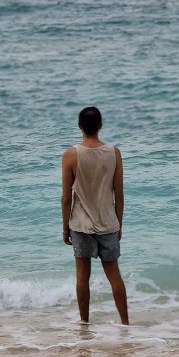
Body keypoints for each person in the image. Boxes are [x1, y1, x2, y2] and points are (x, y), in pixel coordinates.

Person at [61, 106, 129, 325]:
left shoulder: (71, 155)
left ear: (80, 126)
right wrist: (119, 224)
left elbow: (66, 198)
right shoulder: (114, 153)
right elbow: (119, 194)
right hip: (109, 223)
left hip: (80, 224)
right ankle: (125, 323)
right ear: (100, 126)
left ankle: (84, 323)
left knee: (82, 275)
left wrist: (65, 227)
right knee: (113, 274)